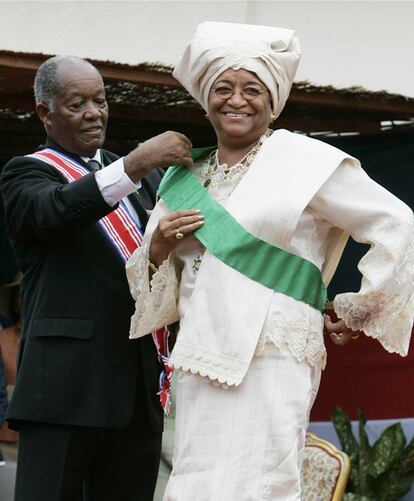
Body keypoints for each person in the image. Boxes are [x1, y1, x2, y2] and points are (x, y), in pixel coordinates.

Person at [126, 22, 414, 500]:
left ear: (274, 101)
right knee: (196, 485)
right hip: (200, 355)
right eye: (223, 87)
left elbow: (397, 224)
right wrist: (157, 250)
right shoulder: (186, 177)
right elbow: (148, 279)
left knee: (261, 485)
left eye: (252, 89)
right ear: (206, 98)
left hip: (273, 355)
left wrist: (360, 306)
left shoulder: (306, 161)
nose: (236, 100)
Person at [0, 55, 193, 501]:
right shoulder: (25, 173)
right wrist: (135, 163)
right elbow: (58, 211)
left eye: (100, 100)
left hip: (135, 388)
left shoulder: (146, 181)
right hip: (65, 389)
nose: (93, 112)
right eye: (77, 103)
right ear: (45, 113)